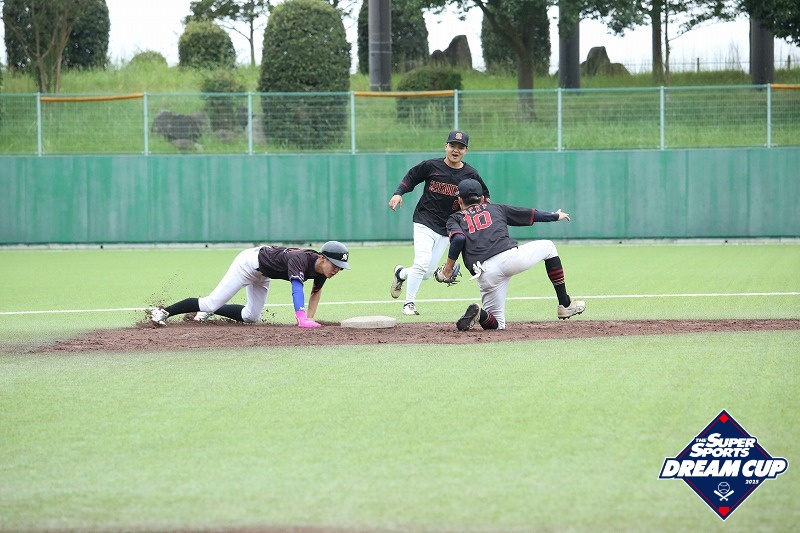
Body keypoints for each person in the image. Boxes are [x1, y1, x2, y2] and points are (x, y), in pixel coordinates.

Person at [439, 179, 585, 331]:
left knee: (497, 326)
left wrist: (448, 269)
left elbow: (458, 239)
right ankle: (565, 304)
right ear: (482, 199)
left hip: (485, 272)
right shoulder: (496, 208)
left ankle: (480, 314)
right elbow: (530, 214)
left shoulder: (455, 218)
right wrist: (554, 216)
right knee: (549, 247)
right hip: (509, 259)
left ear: (459, 200)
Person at [388, 129, 490, 316]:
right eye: (452, 145)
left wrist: (484, 212)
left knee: (427, 273)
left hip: (447, 228)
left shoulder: (470, 174)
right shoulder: (431, 166)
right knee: (421, 263)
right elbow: (411, 177)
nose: (455, 150)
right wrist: (398, 193)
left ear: (466, 150)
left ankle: (400, 274)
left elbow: (484, 196)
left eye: (460, 147)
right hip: (424, 221)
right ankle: (409, 304)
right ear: (446, 146)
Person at [149, 241, 350, 328]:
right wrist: (301, 318)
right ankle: (162, 312)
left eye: (340, 268)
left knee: (251, 317)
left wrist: (310, 319)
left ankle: (209, 312)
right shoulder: (301, 259)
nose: (336, 270)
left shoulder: (322, 271)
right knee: (210, 302)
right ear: (322, 258)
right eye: (335, 265)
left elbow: (316, 292)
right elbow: (297, 288)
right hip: (248, 264)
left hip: (264, 274)